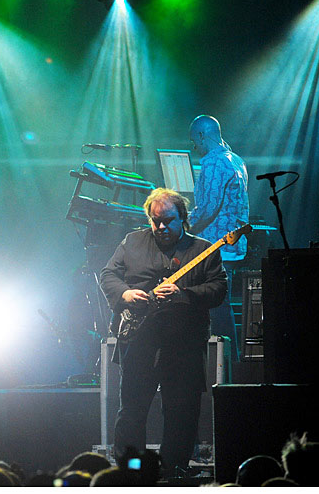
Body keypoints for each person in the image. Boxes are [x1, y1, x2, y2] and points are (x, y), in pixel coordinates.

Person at [100, 188, 227, 476]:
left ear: (182, 217)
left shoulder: (203, 249)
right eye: (155, 220)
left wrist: (184, 295)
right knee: (132, 409)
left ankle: (173, 471)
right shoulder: (132, 242)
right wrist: (126, 294)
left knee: (181, 410)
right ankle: (131, 471)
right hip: (138, 339)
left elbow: (219, 289)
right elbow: (108, 274)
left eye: (168, 220)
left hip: (184, 344)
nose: (160, 227)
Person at [187, 115, 249, 362]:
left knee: (216, 309)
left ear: (202, 135)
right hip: (231, 246)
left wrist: (182, 228)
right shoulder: (236, 160)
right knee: (220, 306)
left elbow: (208, 208)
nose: (194, 147)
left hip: (215, 246)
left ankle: (225, 367)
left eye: (194, 141)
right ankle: (228, 366)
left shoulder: (213, 162)